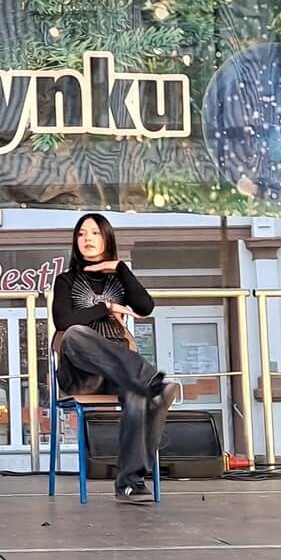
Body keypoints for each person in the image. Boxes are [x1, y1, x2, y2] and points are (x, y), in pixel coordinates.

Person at [50, 213, 167, 503]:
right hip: (81, 373)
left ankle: (129, 484)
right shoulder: (66, 280)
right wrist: (107, 307)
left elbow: (145, 306)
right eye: (81, 234)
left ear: (107, 238)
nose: (87, 239)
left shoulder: (119, 279)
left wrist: (120, 268)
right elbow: (62, 321)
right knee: (75, 333)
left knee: (139, 394)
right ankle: (145, 376)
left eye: (94, 233)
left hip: (117, 373)